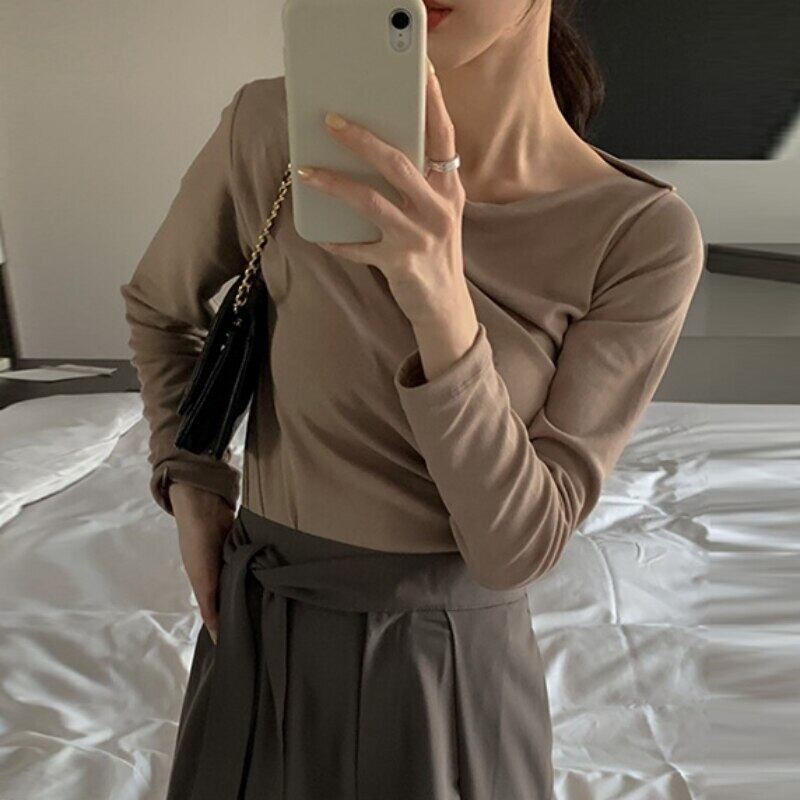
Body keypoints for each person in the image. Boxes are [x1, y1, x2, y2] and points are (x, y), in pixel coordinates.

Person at [120, 1, 704, 798]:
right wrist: (192, 480)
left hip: (449, 682)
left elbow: (517, 548)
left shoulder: (639, 236)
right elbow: (162, 310)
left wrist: (439, 298)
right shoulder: (277, 130)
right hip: (259, 640)